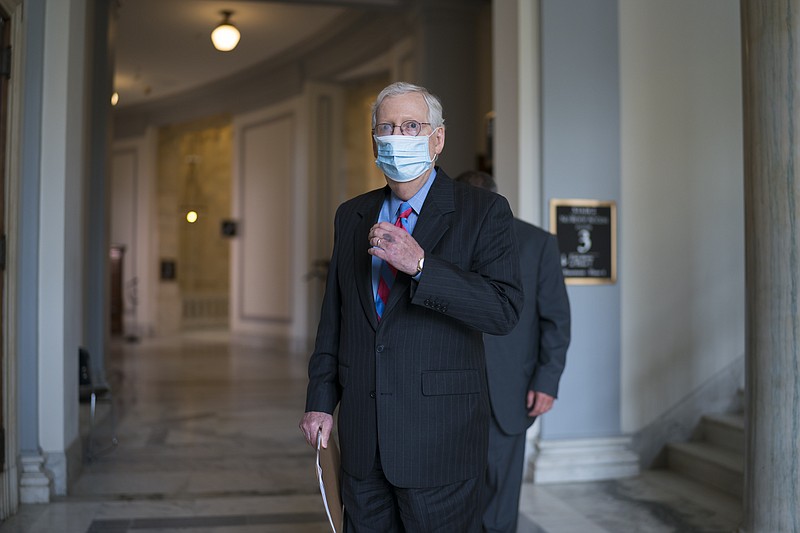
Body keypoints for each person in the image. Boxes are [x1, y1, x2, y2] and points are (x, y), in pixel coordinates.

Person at [299, 82, 524, 532]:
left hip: (438, 442)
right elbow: (335, 319)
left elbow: (502, 310)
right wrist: (321, 400)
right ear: (374, 140)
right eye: (387, 127)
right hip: (363, 441)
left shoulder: (483, 211)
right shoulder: (352, 214)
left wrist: (422, 265)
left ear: (437, 138)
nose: (397, 136)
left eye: (411, 126)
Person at [454, 170, 571, 533]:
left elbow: (556, 319)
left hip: (509, 390)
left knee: (500, 502)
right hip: (446, 387)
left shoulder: (537, 243)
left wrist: (547, 381)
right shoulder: (437, 239)